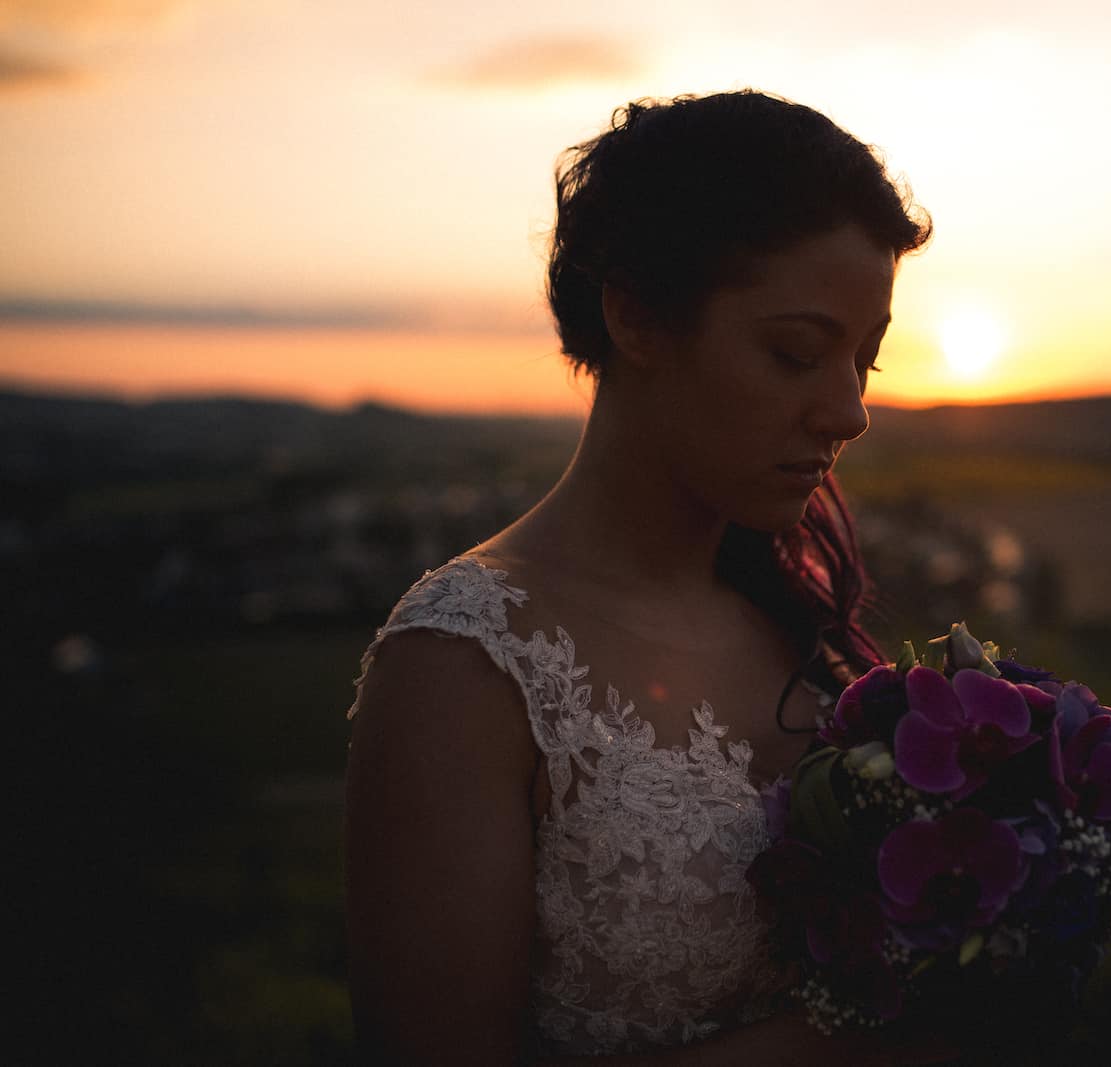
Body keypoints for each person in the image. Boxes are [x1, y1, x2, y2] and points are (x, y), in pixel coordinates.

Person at [342, 90, 936, 1064]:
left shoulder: (792, 623)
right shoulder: (462, 667)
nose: (849, 410)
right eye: (796, 352)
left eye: (864, 359)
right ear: (636, 314)